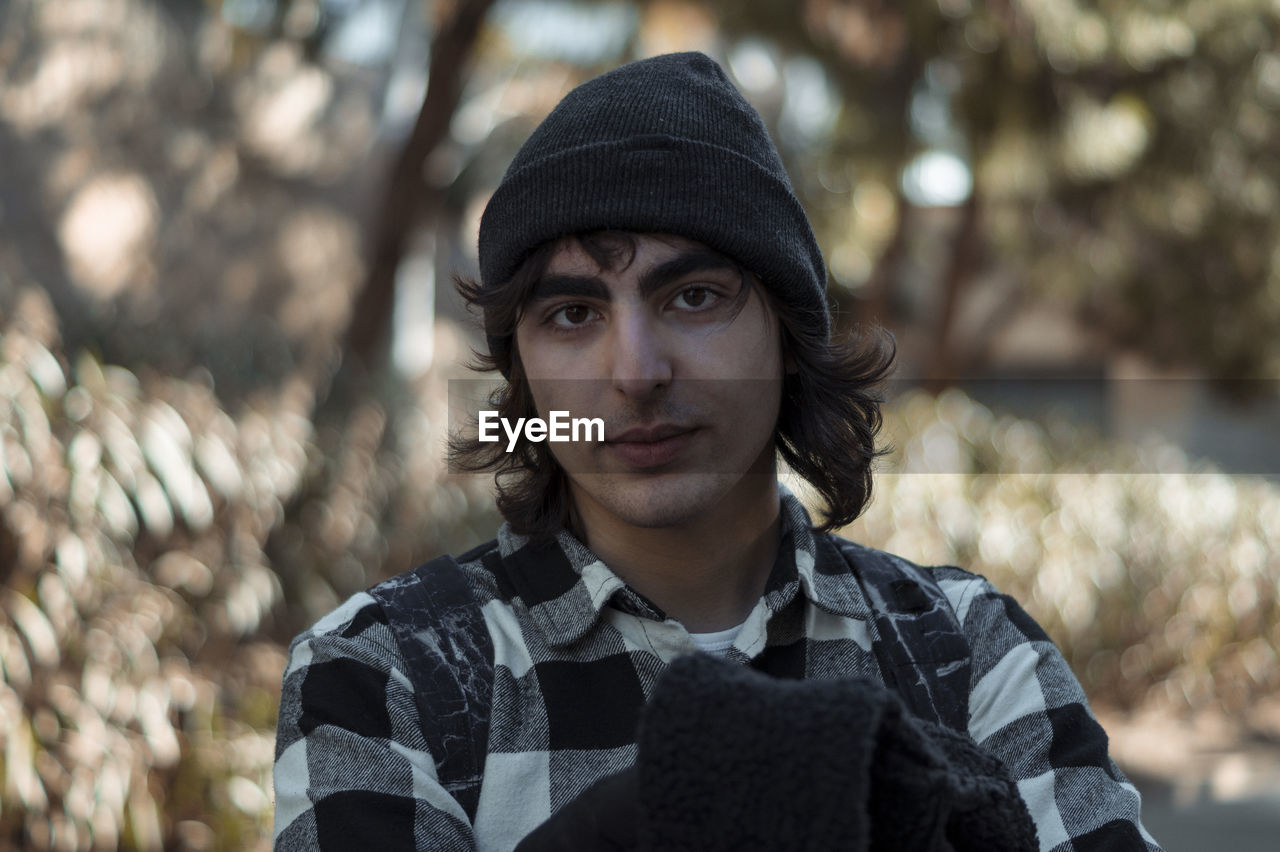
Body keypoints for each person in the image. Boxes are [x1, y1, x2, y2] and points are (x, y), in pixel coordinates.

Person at [273, 52, 1161, 851]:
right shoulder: (382, 672)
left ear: (786, 333)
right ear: (525, 378)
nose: (636, 372)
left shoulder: (968, 653)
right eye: (572, 315)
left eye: (694, 296)